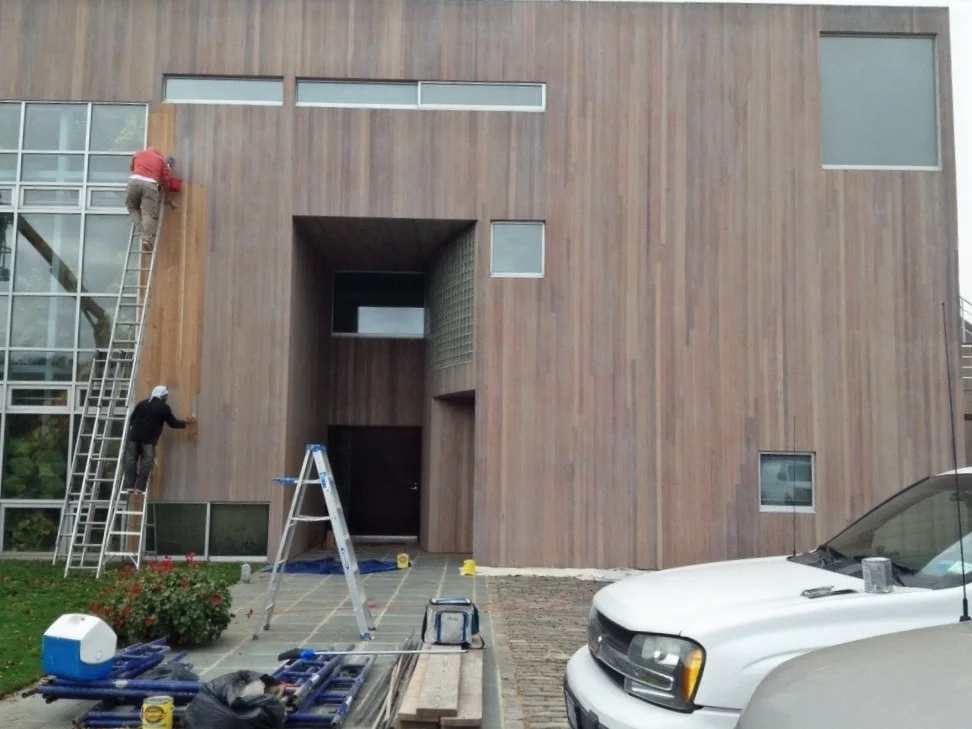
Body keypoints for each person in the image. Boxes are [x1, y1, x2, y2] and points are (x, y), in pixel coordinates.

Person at [121, 385, 195, 495]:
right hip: (148, 440)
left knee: (131, 461)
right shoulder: (163, 407)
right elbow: (173, 424)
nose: (167, 397)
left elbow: (132, 419)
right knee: (147, 462)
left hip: (134, 438)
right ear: (162, 395)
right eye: (166, 395)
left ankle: (128, 486)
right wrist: (186, 423)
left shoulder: (142, 404)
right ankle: (140, 487)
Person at [125, 146, 174, 251]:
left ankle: (142, 232)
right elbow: (166, 179)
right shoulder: (160, 160)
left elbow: (132, 168)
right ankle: (146, 238)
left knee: (133, 208)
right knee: (148, 214)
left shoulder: (138, 154)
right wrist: (167, 194)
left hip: (134, 182)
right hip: (150, 185)